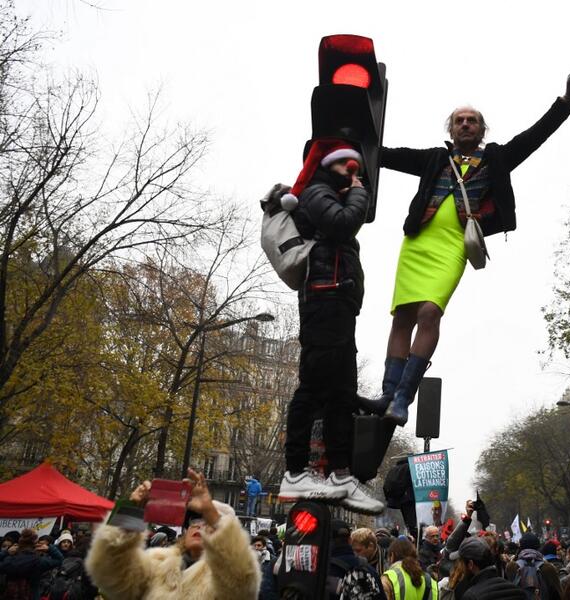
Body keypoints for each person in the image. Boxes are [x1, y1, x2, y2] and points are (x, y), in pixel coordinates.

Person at [361, 72, 570, 426]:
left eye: (473, 121)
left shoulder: (496, 158)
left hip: (453, 246)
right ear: (451, 130)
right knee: (402, 317)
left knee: (429, 313)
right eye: (459, 121)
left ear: (482, 130)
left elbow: (535, 136)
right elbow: (383, 156)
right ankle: (388, 394)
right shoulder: (435, 159)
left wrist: (566, 102)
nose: (466, 124)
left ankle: (404, 398)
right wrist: (345, 139)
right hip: (418, 243)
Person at [276, 139, 383, 514]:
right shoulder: (316, 192)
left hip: (338, 301)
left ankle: (340, 473)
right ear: (328, 165)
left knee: (342, 392)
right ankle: (293, 471)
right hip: (323, 300)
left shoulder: (331, 192)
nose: (354, 172)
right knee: (314, 387)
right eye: (346, 166)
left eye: (358, 167)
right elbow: (342, 224)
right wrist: (359, 194)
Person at [85, 468, 261, 599]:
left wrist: (211, 513)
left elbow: (242, 582)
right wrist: (131, 510)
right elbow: (110, 573)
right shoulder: (157, 564)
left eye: (209, 523)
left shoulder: (222, 579)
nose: (200, 526)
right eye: (195, 521)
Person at [449, 536, 523, 599]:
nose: (461, 567)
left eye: (462, 563)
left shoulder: (471, 596)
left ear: (470, 564)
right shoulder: (517, 591)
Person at [328, 520, 385, 599]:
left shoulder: (318, 570)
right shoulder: (369, 571)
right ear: (349, 540)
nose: (357, 554)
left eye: (358, 550)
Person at [0, 527, 63, 599]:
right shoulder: (39, 561)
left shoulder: (9, 560)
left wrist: (6, 552)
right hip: (31, 596)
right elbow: (60, 559)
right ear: (35, 544)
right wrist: (49, 548)